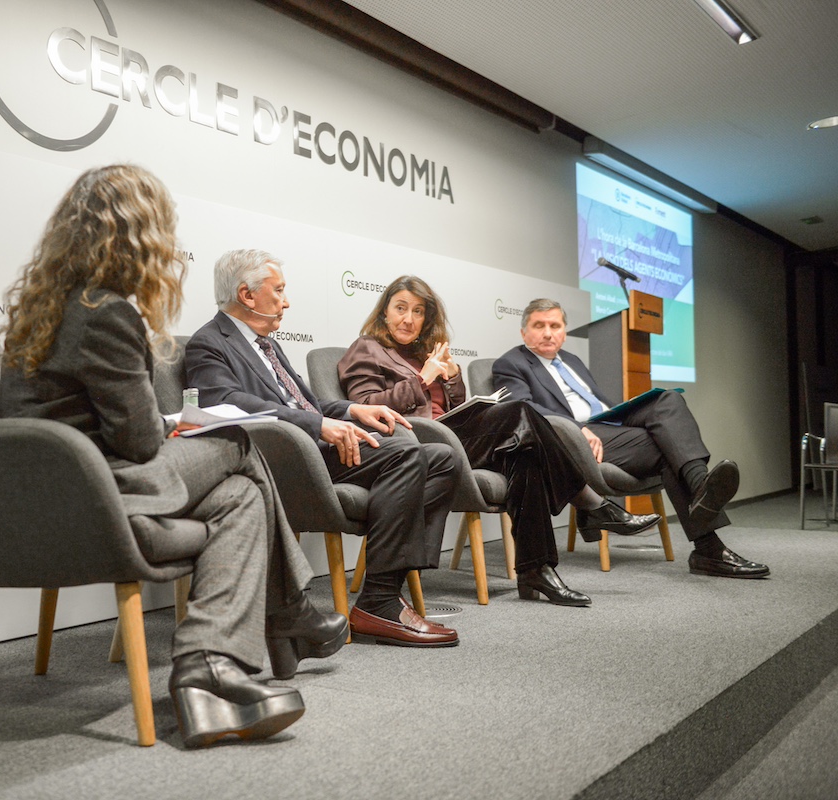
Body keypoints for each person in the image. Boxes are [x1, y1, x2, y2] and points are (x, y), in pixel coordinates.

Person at [0, 166, 348, 748]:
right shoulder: (107, 311)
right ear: (137, 236)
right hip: (97, 490)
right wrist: (174, 429)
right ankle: (283, 612)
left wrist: (168, 426)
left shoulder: (46, 305)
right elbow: (136, 442)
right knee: (236, 442)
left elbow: (92, 418)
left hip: (51, 487)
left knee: (238, 496)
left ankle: (208, 667)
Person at [185, 250, 460, 645]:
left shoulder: (266, 343)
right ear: (247, 296)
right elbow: (226, 403)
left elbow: (305, 403)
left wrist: (354, 409)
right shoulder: (209, 343)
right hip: (285, 459)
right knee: (406, 454)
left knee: (444, 459)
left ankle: (384, 585)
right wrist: (318, 424)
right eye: (278, 291)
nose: (286, 300)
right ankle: (381, 602)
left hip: (315, 447)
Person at [338, 276, 661, 607]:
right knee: (519, 411)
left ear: (427, 318)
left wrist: (451, 379)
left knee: (527, 457)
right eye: (401, 308)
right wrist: (424, 379)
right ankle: (590, 503)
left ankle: (536, 572)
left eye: (418, 311)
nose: (408, 319)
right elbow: (368, 408)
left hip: (452, 437)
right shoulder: (367, 349)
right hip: (418, 442)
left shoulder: (426, 353)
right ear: (384, 313)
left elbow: (450, 408)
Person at [493, 297, 769, 579]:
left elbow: (595, 402)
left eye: (555, 325)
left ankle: (700, 489)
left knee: (668, 399)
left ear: (564, 330)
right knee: (669, 450)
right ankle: (709, 547)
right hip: (575, 438)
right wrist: (576, 428)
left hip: (608, 424)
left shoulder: (572, 361)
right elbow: (522, 409)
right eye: (539, 326)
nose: (548, 332)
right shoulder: (511, 363)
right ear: (524, 332)